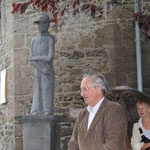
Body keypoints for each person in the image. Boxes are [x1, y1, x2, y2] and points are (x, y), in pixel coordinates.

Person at [68, 74, 127, 150]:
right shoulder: (82, 114)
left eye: (85, 89)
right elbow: (73, 143)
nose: (82, 94)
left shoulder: (114, 110)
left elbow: (113, 146)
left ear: (98, 89)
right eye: (81, 90)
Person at [29, 15, 55, 115]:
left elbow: (50, 57)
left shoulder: (50, 39)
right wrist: (40, 67)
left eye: (43, 24)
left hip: (47, 69)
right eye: (39, 24)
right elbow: (30, 58)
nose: (40, 26)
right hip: (38, 69)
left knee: (47, 88)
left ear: (47, 25)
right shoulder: (34, 40)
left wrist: (36, 58)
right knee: (37, 89)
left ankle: (46, 110)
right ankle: (35, 110)